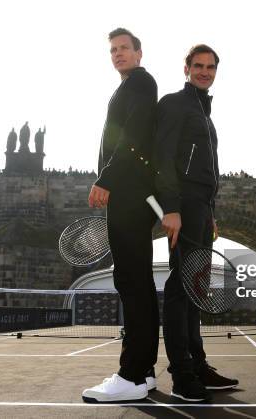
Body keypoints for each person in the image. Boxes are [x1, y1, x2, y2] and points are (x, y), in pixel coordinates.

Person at [153, 44, 239, 402]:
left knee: (195, 287)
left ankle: (198, 365)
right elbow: (162, 156)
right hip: (183, 203)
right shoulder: (175, 103)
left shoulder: (205, 112)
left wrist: (212, 211)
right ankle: (182, 375)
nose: (205, 71)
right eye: (198, 66)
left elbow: (209, 170)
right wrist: (171, 207)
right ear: (186, 68)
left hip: (202, 205)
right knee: (180, 287)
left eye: (211, 67)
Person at [82, 28, 158, 403]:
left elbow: (133, 136)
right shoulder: (127, 87)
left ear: (139, 53)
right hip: (128, 194)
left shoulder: (142, 83)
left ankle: (131, 374)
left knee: (131, 281)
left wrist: (106, 179)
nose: (118, 54)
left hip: (128, 193)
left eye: (124, 48)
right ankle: (143, 372)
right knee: (136, 281)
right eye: (113, 49)